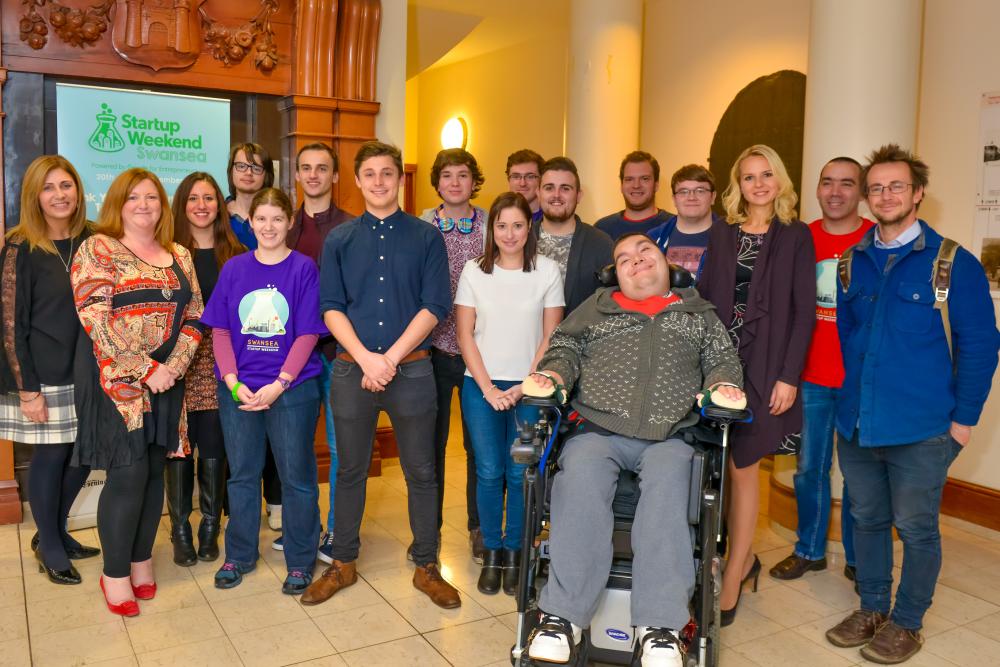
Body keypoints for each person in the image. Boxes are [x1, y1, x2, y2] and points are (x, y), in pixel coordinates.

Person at [524, 232, 744, 666]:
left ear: (667, 265)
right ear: (616, 275)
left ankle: (659, 628)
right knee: (579, 475)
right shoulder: (597, 307)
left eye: (645, 251)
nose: (635, 260)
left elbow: (722, 359)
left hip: (670, 434)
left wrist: (723, 384)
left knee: (671, 481)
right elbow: (564, 347)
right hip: (598, 427)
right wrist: (554, 376)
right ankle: (561, 618)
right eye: (623, 258)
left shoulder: (698, 314)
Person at [825, 144, 1000, 664]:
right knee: (866, 520)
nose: (885, 196)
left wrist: (963, 422)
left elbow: (980, 346)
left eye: (896, 186)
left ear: (918, 193)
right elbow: (849, 340)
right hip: (858, 424)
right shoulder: (850, 263)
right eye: (876, 188)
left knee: (917, 528)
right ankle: (873, 607)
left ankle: (907, 622)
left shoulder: (953, 264)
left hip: (923, 429)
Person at [305, 141, 461, 609]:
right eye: (369, 174)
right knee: (349, 470)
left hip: (411, 372)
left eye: (387, 173)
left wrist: (388, 359)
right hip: (351, 370)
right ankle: (342, 563)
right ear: (357, 180)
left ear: (399, 179)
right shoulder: (340, 239)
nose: (378, 181)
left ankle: (427, 565)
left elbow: (436, 305)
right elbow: (330, 306)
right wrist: (366, 359)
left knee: (422, 471)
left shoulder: (426, 237)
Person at [71, 168, 204, 617]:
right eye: (133, 197)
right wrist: (146, 370)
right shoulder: (99, 248)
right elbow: (95, 319)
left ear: (162, 206)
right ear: (117, 204)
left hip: (168, 382)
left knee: (152, 474)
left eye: (151, 197)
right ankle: (114, 574)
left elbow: (195, 315)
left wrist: (173, 368)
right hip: (119, 385)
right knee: (127, 475)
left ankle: (141, 560)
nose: (143, 205)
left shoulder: (179, 253)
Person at [697, 144, 815, 626]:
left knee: (744, 465)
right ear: (738, 185)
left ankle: (736, 571)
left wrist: (789, 376)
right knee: (719, 468)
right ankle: (737, 556)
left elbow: (804, 312)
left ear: (779, 179)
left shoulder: (796, 235)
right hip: (720, 367)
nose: (759, 184)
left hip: (767, 368)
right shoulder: (722, 233)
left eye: (767, 174)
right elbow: (705, 298)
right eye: (749, 177)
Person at [201, 187, 327, 595]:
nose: (269, 226)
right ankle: (238, 555)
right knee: (241, 476)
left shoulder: (304, 268)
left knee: (297, 477)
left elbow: (308, 333)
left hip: (292, 391)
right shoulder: (234, 268)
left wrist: (280, 383)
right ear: (250, 222)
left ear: (290, 222)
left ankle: (301, 559)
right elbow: (221, 330)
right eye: (261, 219)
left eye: (277, 218)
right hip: (238, 391)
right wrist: (232, 382)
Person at [769, 157, 873, 584]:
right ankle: (808, 550)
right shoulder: (801, 238)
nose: (835, 192)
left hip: (859, 381)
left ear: (860, 192)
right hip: (810, 376)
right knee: (810, 467)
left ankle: (859, 558)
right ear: (816, 189)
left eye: (846, 184)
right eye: (827, 182)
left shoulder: (875, 238)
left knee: (858, 474)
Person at [455, 191, 563, 595]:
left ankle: (517, 552)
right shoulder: (474, 271)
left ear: (528, 228)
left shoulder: (547, 271)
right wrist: (488, 388)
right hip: (479, 386)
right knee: (488, 470)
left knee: (519, 473)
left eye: (518, 225)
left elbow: (551, 336)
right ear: (492, 229)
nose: (510, 234)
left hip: (530, 389)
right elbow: (465, 334)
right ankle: (493, 552)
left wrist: (524, 385)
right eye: (502, 226)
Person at [0, 155, 98, 585]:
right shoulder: (19, 247)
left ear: (78, 190)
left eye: (66, 185)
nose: (59, 195)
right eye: (49, 187)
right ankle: (52, 547)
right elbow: (9, 324)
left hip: (89, 371)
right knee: (52, 456)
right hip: (44, 375)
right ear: (34, 196)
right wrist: (28, 389)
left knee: (85, 454)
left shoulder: (94, 240)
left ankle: (53, 532)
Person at [166, 172, 245, 566]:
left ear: (220, 205)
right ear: (182, 204)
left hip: (220, 362)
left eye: (209, 198)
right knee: (179, 446)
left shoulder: (236, 253)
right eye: (193, 198)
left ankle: (210, 526)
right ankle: (180, 529)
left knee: (214, 445)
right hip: (176, 363)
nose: (201, 205)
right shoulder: (165, 253)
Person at [419, 148, 488, 562]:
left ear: (474, 181)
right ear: (437, 182)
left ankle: (479, 527)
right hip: (433, 350)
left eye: (463, 175)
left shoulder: (491, 225)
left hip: (481, 350)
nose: (456, 182)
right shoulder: (422, 224)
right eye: (447, 175)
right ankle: (430, 529)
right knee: (432, 445)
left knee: (479, 446)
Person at [287, 142, 352, 564]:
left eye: (322, 168)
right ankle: (304, 529)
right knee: (295, 450)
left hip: (337, 354)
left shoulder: (352, 228)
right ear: (297, 175)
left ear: (335, 176)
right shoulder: (282, 226)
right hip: (292, 357)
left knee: (340, 447)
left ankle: (338, 532)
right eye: (306, 168)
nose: (313, 175)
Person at [224, 141, 284, 533]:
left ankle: (276, 503)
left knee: (278, 431)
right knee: (237, 439)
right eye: (241, 165)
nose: (248, 172)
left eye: (256, 166)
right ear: (230, 171)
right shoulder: (216, 214)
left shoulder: (274, 214)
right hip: (230, 338)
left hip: (273, 337)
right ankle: (236, 513)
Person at [533, 156, 613, 315]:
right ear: (538, 193)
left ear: (579, 196)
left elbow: (613, 303)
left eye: (565, 188)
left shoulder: (601, 244)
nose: (556, 195)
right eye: (549, 188)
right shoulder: (520, 240)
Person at [647, 164, 724, 279]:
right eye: (683, 191)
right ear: (674, 199)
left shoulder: (731, 237)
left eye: (700, 191)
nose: (691, 198)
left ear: (713, 197)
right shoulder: (652, 239)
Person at [595, 151, 674, 240]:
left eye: (644, 179)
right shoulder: (602, 229)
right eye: (629, 179)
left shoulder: (675, 226)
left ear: (656, 185)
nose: (636, 185)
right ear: (621, 185)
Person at [506, 149, 545, 223]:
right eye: (516, 176)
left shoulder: (550, 218)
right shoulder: (499, 217)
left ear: (541, 179)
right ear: (508, 180)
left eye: (530, 176)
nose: (522, 183)